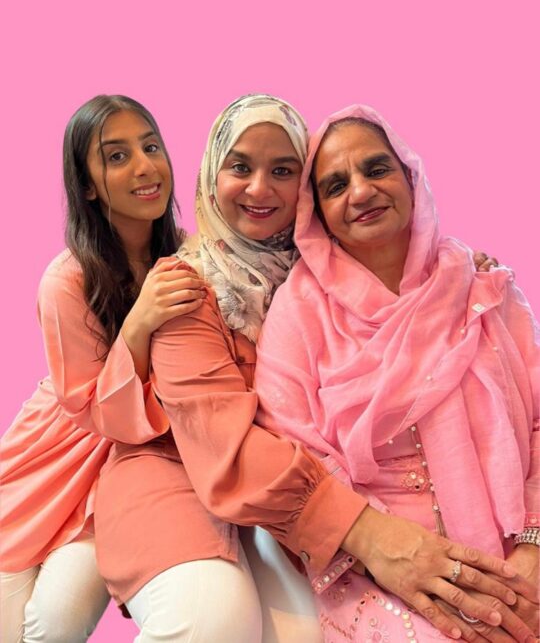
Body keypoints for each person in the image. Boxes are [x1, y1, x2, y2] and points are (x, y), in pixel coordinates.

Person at [96, 94, 525, 643]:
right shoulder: (190, 290)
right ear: (211, 172)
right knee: (214, 622)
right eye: (240, 166)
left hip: (290, 503)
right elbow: (231, 446)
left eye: (283, 171)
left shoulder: (368, 266)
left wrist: (471, 284)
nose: (260, 189)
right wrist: (371, 538)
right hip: (190, 477)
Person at [252, 104, 540, 642]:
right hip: (379, 567)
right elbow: (293, 453)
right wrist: (389, 555)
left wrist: (534, 549)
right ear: (317, 211)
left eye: (376, 169)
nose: (361, 192)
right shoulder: (299, 314)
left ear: (410, 176)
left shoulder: (482, 289)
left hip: (517, 547)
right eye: (336, 185)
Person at [0, 94, 206, 642]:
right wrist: (138, 323)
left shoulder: (189, 257)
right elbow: (86, 404)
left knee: (59, 620)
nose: (145, 166)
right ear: (87, 184)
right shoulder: (66, 281)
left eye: (151, 146)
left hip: (135, 459)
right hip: (59, 448)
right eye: (116, 156)